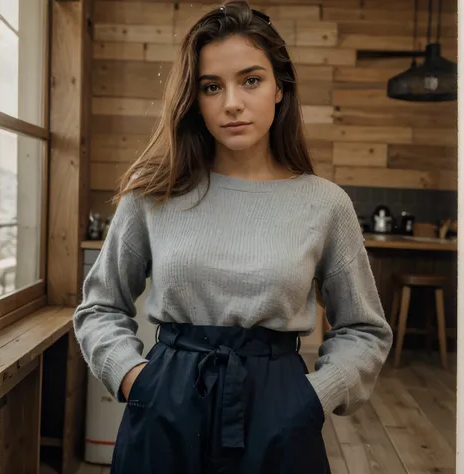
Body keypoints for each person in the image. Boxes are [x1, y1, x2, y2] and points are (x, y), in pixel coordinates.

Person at [73, 2, 393, 473]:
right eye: (210, 87)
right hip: (165, 406)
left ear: (280, 88)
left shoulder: (325, 204)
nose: (231, 103)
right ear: (193, 98)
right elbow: (99, 307)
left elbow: (365, 330)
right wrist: (135, 380)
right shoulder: (152, 195)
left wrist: (313, 397)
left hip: (280, 411)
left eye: (251, 80)